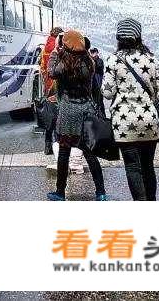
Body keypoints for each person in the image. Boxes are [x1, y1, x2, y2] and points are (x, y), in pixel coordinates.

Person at [102, 17, 159, 201]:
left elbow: (107, 93)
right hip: (149, 120)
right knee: (148, 165)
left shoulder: (113, 61)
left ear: (119, 38)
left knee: (132, 167)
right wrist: (150, 100)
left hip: (124, 122)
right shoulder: (151, 59)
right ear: (138, 36)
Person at [46, 30, 107, 201]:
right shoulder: (89, 62)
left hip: (67, 111)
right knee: (89, 153)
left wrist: (55, 52)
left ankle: (60, 192)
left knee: (64, 153)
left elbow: (51, 72)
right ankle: (100, 192)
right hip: (85, 109)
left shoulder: (63, 64)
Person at [39, 26, 62, 159]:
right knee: (59, 116)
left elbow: (43, 67)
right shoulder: (58, 48)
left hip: (48, 85)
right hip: (57, 85)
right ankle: (57, 144)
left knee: (50, 115)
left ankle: (47, 145)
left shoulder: (45, 47)